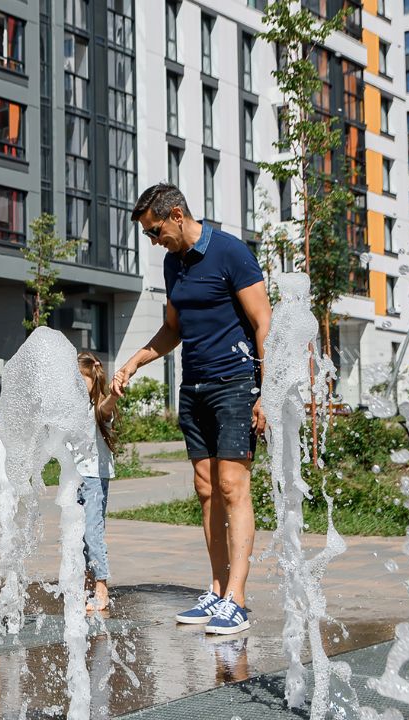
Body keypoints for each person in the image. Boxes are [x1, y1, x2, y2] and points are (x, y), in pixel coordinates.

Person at [111, 183, 271, 636]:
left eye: (156, 230)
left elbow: (264, 321)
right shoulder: (172, 262)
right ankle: (218, 590)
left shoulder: (230, 252)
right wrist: (135, 361)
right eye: (148, 234)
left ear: (178, 215)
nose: (154, 240)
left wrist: (268, 391)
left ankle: (237, 599)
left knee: (232, 485)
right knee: (205, 488)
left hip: (236, 383)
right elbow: (172, 330)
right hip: (194, 385)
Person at [75, 352, 116, 613]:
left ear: (93, 379)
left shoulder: (98, 406)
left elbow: (106, 409)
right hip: (75, 478)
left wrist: (115, 394)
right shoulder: (71, 409)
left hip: (93, 476)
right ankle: (87, 584)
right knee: (79, 535)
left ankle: (101, 585)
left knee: (93, 532)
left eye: (81, 381)